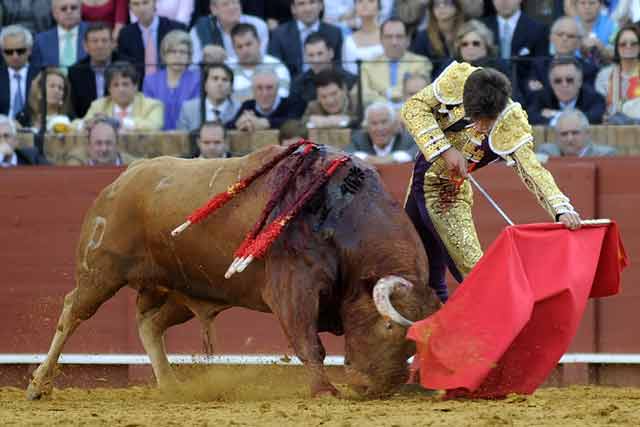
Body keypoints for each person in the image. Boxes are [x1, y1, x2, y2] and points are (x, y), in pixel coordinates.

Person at [401, 62, 581, 303]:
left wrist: (561, 209)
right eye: (476, 118)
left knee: (475, 272)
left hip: (448, 194)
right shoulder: (457, 79)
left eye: (488, 121)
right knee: (417, 266)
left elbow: (532, 170)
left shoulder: (511, 122)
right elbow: (413, 108)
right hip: (421, 182)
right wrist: (446, 151)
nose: (481, 127)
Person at [359, 17, 432, 108]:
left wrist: (386, 93)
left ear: (408, 40)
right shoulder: (367, 65)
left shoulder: (421, 63)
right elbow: (365, 96)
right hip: (379, 116)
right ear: (381, 39)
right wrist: (388, 104)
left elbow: (421, 93)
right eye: (389, 37)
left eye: (399, 36)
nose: (394, 42)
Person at [525, 16, 599, 101]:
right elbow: (531, 96)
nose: (564, 39)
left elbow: (585, 99)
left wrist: (544, 91)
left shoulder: (589, 70)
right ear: (551, 38)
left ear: (579, 42)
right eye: (560, 34)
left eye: (570, 36)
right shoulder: (538, 65)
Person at [80, 60, 164, 130]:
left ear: (135, 87)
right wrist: (86, 125)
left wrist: (118, 122)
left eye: (125, 84)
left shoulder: (152, 105)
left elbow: (154, 125)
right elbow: (77, 125)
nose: (121, 89)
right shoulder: (98, 106)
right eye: (116, 85)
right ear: (109, 89)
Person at [142, 30, 200, 130]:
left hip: (189, 136)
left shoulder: (198, 79)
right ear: (164, 55)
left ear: (189, 56)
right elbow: (148, 115)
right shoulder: (150, 81)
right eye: (173, 51)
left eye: (182, 52)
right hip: (158, 138)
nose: (178, 56)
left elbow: (195, 115)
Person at [268, 0, 343, 76]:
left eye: (312, 2)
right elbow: (276, 70)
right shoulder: (279, 35)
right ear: (293, 9)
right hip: (292, 86)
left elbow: (338, 67)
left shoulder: (334, 33)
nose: (307, 9)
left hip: (326, 83)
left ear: (321, 5)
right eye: (301, 4)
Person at [117, 0, 187, 82]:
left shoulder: (175, 29)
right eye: (136, 4)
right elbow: (127, 67)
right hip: (139, 87)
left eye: (145, 2)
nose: (141, 8)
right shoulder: (125, 34)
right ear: (130, 8)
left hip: (172, 83)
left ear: (154, 3)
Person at [68, 22, 125, 118]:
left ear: (113, 44)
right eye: (95, 41)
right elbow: (73, 109)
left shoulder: (126, 68)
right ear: (85, 46)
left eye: (104, 40)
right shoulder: (75, 72)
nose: (100, 46)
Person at [527, 56, 606, 125]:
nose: (564, 85)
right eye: (558, 81)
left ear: (580, 81)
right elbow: (530, 117)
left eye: (569, 80)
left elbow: (595, 118)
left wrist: (555, 115)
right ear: (551, 83)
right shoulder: (541, 97)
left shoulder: (594, 98)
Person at [190, 0, 269, 65]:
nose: (232, 7)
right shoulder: (200, 29)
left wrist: (225, 59)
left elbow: (259, 58)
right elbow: (194, 64)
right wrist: (204, 57)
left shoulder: (258, 25)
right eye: (225, 4)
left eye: (235, 2)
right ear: (214, 9)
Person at [289, 32, 357, 107]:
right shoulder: (298, 85)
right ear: (305, 58)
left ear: (331, 53)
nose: (316, 60)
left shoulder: (350, 81)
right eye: (311, 55)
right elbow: (294, 116)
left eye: (320, 54)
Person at [228, 23, 290, 103]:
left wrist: (241, 98)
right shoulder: (228, 69)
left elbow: (280, 100)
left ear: (259, 42)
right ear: (234, 49)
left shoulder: (277, 66)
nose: (245, 50)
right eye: (239, 47)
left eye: (248, 44)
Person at [229, 67, 304, 131]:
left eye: (269, 88)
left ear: (277, 89)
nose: (264, 93)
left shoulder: (291, 104)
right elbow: (228, 126)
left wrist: (265, 123)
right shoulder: (248, 106)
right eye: (259, 88)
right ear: (252, 90)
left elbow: (295, 122)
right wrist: (240, 123)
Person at [595, 24, 640, 123]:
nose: (628, 47)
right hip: (613, 129)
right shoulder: (605, 75)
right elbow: (600, 107)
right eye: (623, 44)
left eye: (634, 44)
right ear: (617, 48)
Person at [347, 101, 416, 164]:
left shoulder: (408, 139)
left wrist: (392, 158)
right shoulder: (359, 139)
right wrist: (373, 159)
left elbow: (416, 153)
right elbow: (347, 155)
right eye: (374, 123)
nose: (379, 128)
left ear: (394, 124)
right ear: (366, 127)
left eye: (384, 122)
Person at [410, 0, 466, 77]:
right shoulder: (423, 37)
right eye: (436, 4)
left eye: (446, 3)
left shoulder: (467, 33)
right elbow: (417, 66)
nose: (441, 7)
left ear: (456, 7)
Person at [177, 62, 240, 131]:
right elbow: (182, 139)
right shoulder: (188, 109)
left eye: (225, 80)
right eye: (215, 79)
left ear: (231, 87)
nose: (220, 84)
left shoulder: (238, 110)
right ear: (205, 85)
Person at [31, 0, 89, 69]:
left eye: (73, 8)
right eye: (63, 9)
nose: (69, 12)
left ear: (80, 11)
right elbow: (36, 71)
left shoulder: (92, 34)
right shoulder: (41, 40)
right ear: (54, 13)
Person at [536, 109, 617, 157]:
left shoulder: (605, 155)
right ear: (557, 137)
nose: (569, 139)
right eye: (564, 134)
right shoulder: (546, 153)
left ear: (587, 133)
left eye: (575, 133)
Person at [0, 25, 38, 126]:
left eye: (20, 51)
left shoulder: (40, 75)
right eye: (9, 52)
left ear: (29, 50)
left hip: (33, 128)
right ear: (2, 53)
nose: (15, 56)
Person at [67, 116, 137, 165]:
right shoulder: (76, 165)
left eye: (109, 143)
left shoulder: (132, 167)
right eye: (98, 143)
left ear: (117, 144)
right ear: (89, 145)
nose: (104, 149)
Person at [341, 0, 383, 75]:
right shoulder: (349, 41)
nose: (365, 4)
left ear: (379, 8)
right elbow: (348, 71)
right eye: (360, 1)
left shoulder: (388, 36)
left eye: (371, 1)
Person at [28, 67, 75, 132]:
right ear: (39, 91)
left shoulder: (71, 121)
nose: (56, 91)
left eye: (60, 88)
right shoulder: (26, 117)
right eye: (52, 86)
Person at [574, 0, 617, 66]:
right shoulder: (567, 25)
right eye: (582, 3)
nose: (587, 7)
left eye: (592, 3)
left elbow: (616, 55)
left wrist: (601, 48)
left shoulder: (612, 26)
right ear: (576, 5)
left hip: (602, 70)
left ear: (600, 5)